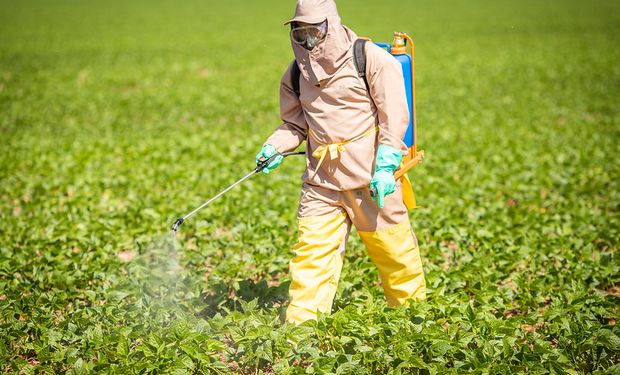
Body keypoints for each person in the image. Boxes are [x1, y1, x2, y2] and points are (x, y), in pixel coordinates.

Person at [255, 0, 426, 324]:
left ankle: (413, 322)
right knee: (311, 256)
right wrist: (274, 147)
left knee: (394, 254)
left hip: (371, 179)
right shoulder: (294, 73)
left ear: (330, 26)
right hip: (322, 183)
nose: (307, 41)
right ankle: (301, 331)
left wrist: (387, 166)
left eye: (314, 32)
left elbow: (395, 117)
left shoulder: (370, 59)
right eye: (300, 32)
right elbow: (295, 125)